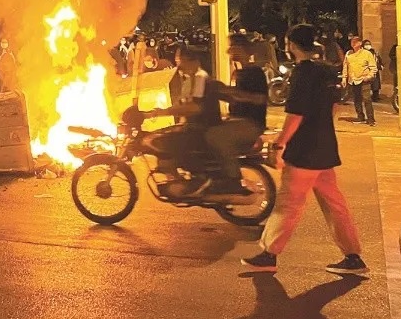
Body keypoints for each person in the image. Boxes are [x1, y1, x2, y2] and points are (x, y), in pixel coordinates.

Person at [242, 24, 368, 275]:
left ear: (291, 45)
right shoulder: (327, 71)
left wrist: (279, 143)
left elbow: (296, 115)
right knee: (334, 204)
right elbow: (334, 108)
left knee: (288, 204)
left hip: (303, 152)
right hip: (324, 148)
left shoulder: (302, 74)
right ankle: (353, 256)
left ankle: (269, 254)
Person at [145, 46, 226, 194]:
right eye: (177, 61)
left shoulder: (201, 77)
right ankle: (174, 177)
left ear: (194, 61)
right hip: (191, 125)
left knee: (176, 142)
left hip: (203, 127)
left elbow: (195, 108)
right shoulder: (189, 80)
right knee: (162, 138)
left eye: (181, 61)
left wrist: (164, 112)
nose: (179, 66)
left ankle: (198, 178)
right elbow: (181, 104)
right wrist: (156, 112)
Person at [205, 34, 268, 195]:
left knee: (215, 135)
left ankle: (233, 180)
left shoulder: (254, 72)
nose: (228, 51)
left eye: (232, 47)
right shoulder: (238, 73)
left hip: (250, 125)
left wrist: (230, 91)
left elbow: (259, 98)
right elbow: (234, 98)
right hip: (236, 121)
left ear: (241, 49)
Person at [342, 36, 377, 126]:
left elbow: (373, 68)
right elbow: (345, 66)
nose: (353, 44)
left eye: (355, 42)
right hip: (353, 80)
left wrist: (369, 76)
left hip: (364, 80)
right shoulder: (348, 54)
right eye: (352, 42)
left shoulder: (367, 54)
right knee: (357, 99)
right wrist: (344, 78)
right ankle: (360, 117)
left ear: (360, 43)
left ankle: (370, 119)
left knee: (367, 99)